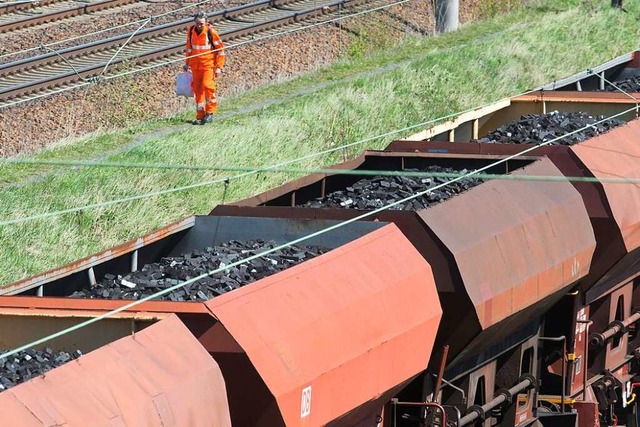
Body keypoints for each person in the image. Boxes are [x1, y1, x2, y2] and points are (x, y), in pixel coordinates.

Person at [184, 12, 226, 125]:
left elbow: (221, 51)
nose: (199, 26)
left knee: (208, 86)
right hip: (195, 65)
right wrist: (187, 63)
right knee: (197, 90)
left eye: (201, 24)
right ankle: (200, 116)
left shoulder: (211, 32)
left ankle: (210, 113)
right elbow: (189, 49)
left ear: (206, 23)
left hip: (208, 65)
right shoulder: (190, 31)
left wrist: (219, 67)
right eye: (197, 23)